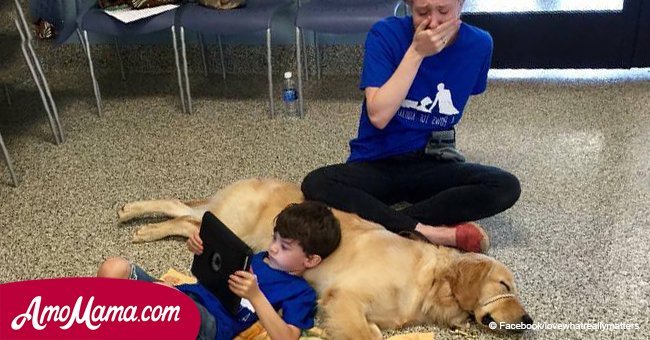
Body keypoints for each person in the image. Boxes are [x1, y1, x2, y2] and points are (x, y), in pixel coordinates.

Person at [301, 0, 521, 253]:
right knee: (316, 183)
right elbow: (379, 115)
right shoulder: (385, 34)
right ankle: (428, 231)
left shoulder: (480, 44)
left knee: (505, 186)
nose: (434, 22)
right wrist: (416, 53)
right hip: (377, 161)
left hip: (432, 160)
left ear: (461, 4)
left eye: (444, 11)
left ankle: (388, 226)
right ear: (408, 7)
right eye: (422, 12)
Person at [97, 201, 341, 340]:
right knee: (114, 267)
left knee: (166, 307)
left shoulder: (299, 292)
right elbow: (212, 274)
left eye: (285, 247)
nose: (273, 248)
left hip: (209, 323)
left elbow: (287, 337)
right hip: (184, 296)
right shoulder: (254, 256)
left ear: (310, 260)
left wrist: (255, 296)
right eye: (274, 238)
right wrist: (199, 249)